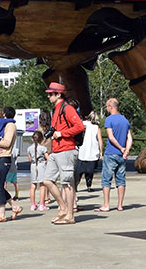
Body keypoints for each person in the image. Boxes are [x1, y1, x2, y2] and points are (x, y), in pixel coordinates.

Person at [44, 82, 85, 225]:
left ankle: (70, 215)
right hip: (56, 150)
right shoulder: (56, 109)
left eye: (51, 94)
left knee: (67, 183)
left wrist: (61, 133)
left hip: (66, 149)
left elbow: (79, 126)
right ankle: (63, 208)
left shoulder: (67, 108)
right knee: (47, 180)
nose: (48, 96)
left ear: (59, 94)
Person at [0, 106, 21, 222]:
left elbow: (6, 143)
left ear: (5, 114)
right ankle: (14, 206)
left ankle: (2, 214)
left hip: (4, 158)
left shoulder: (10, 126)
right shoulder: (5, 125)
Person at [100, 97, 132, 212]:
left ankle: (106, 205)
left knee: (106, 179)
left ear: (111, 107)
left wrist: (120, 148)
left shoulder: (109, 120)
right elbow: (130, 137)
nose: (107, 109)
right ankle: (120, 205)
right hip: (122, 156)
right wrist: (126, 150)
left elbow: (111, 137)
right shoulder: (125, 120)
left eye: (107, 107)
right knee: (121, 180)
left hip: (111, 153)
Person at [75, 107, 102, 192]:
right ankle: (89, 186)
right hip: (93, 151)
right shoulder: (96, 127)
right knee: (90, 171)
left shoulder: (82, 124)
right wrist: (101, 151)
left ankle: (75, 185)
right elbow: (100, 140)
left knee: (79, 171)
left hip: (82, 150)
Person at [26, 129, 50, 211]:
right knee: (42, 186)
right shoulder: (43, 148)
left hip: (33, 165)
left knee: (33, 186)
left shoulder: (29, 148)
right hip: (41, 165)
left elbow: (29, 159)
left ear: (32, 139)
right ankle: (42, 204)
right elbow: (48, 158)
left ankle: (33, 204)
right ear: (42, 139)